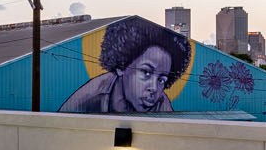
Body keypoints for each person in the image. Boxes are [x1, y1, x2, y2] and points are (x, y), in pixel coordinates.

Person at [59, 19, 192, 114]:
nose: (154, 88)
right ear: (121, 66)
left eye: (161, 80)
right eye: (146, 73)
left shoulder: (162, 105)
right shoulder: (86, 99)